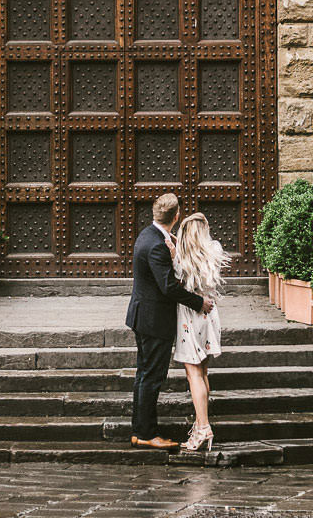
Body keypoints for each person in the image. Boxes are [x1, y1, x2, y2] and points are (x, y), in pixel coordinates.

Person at [125, 193, 212, 450]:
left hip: (144, 317)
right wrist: (199, 302)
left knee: (145, 375)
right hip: (153, 322)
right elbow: (168, 287)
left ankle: (140, 430)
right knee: (151, 377)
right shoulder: (157, 245)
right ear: (176, 217)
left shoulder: (148, 235)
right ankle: (146, 434)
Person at [171, 210, 228, 453]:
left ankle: (204, 426)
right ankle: (199, 422)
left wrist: (175, 251)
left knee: (193, 373)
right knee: (203, 371)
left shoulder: (181, 259)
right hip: (210, 314)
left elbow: (175, 282)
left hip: (189, 318)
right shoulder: (213, 251)